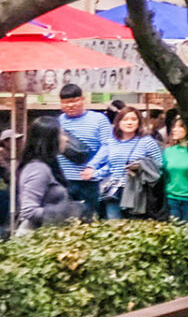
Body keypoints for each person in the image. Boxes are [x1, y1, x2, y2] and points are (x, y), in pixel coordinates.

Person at [94, 105, 165, 220]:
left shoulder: (147, 142)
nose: (129, 123)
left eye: (133, 119)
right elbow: (110, 166)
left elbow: (159, 165)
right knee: (114, 227)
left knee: (134, 226)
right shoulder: (112, 141)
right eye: (125, 119)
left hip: (136, 191)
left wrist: (141, 166)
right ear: (118, 122)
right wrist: (95, 174)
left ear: (139, 122)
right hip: (114, 191)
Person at [15, 119, 82, 230]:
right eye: (62, 134)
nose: (66, 139)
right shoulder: (38, 169)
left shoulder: (50, 164)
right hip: (35, 237)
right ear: (50, 140)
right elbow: (28, 211)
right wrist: (68, 212)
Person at [55, 83, 109, 217]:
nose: (70, 105)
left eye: (74, 101)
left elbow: (108, 145)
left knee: (90, 218)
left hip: (91, 181)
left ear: (83, 99)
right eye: (66, 102)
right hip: (64, 181)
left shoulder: (99, 119)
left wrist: (92, 166)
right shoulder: (57, 122)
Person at [161, 120, 188, 225]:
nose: (174, 129)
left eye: (180, 127)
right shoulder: (168, 152)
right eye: (174, 126)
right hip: (171, 199)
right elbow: (162, 174)